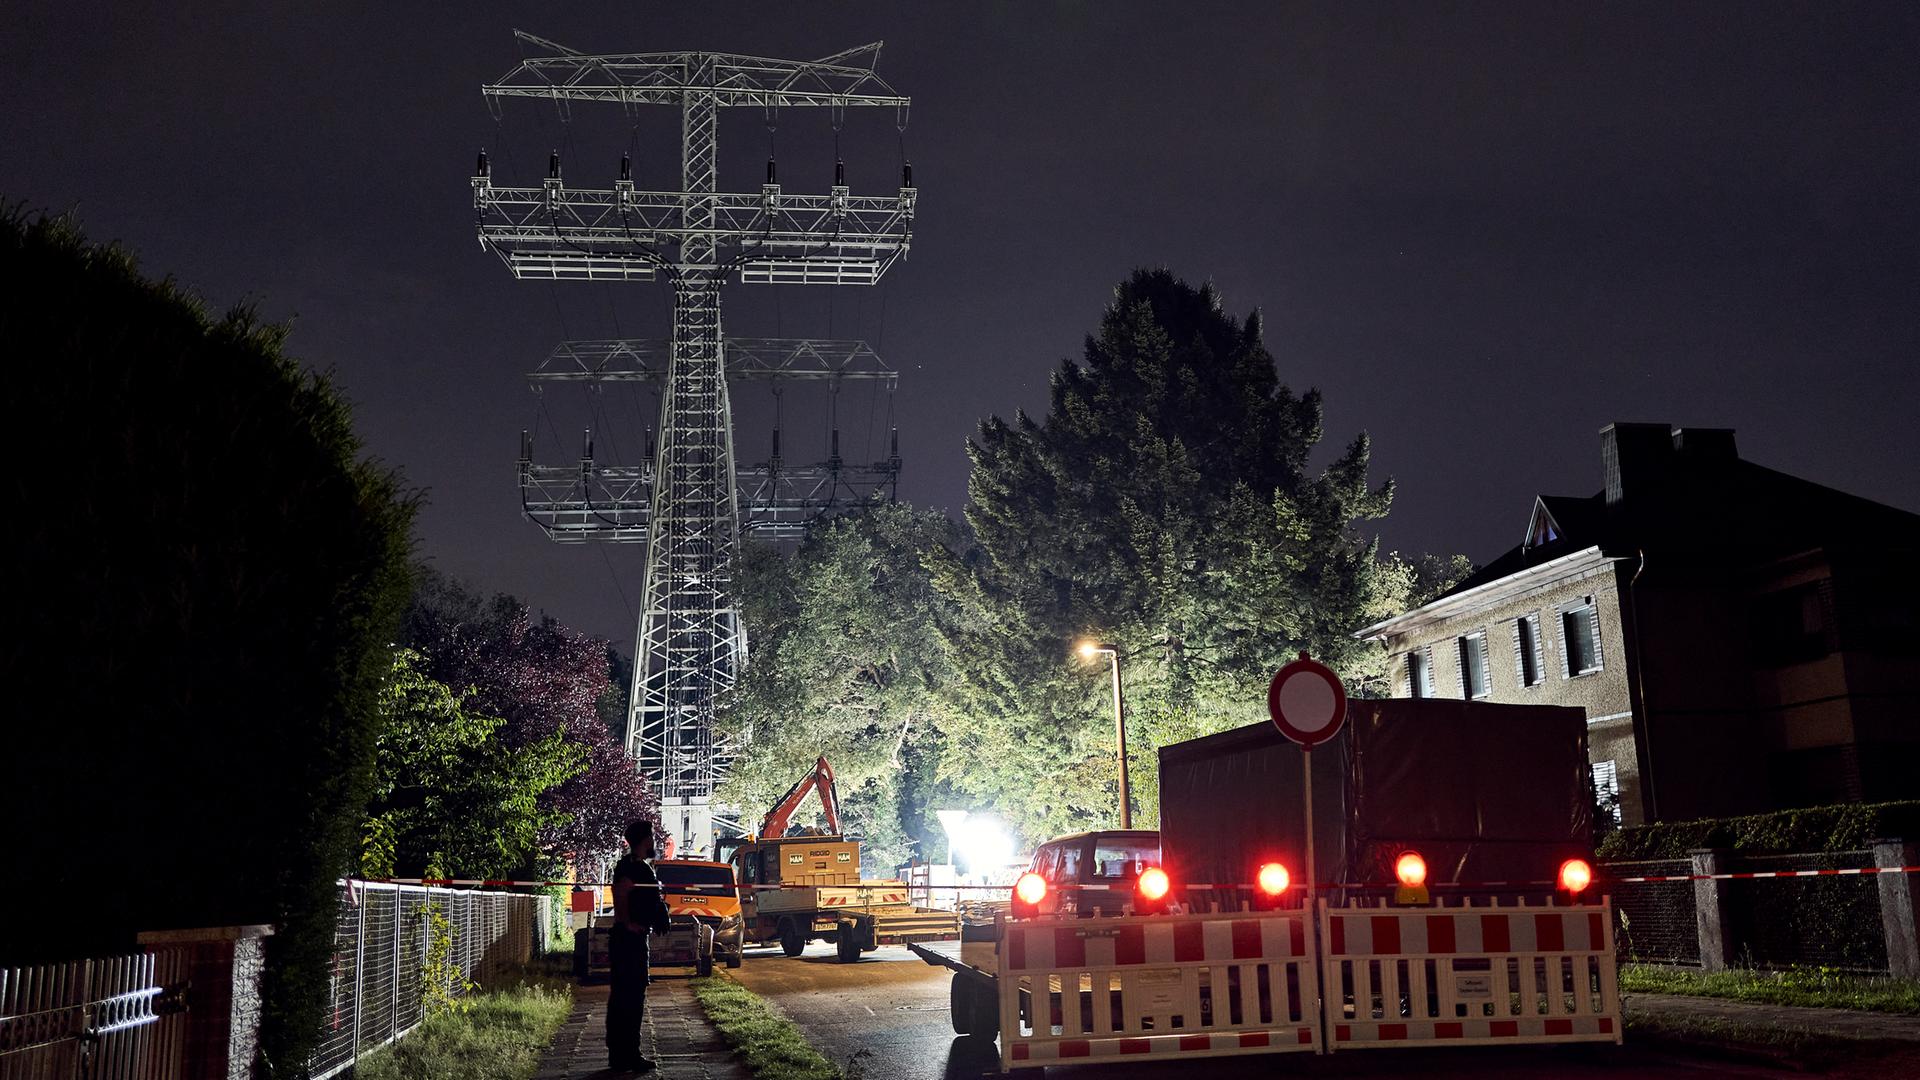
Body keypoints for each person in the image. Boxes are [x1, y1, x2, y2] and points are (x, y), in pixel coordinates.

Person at [608, 819, 671, 1072]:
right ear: (645, 840)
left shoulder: (639, 866)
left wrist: (659, 913)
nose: (653, 840)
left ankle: (622, 1055)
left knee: (628, 998)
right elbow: (621, 893)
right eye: (651, 836)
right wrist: (628, 923)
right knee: (629, 1000)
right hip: (629, 941)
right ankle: (627, 1055)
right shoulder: (631, 866)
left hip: (632, 939)